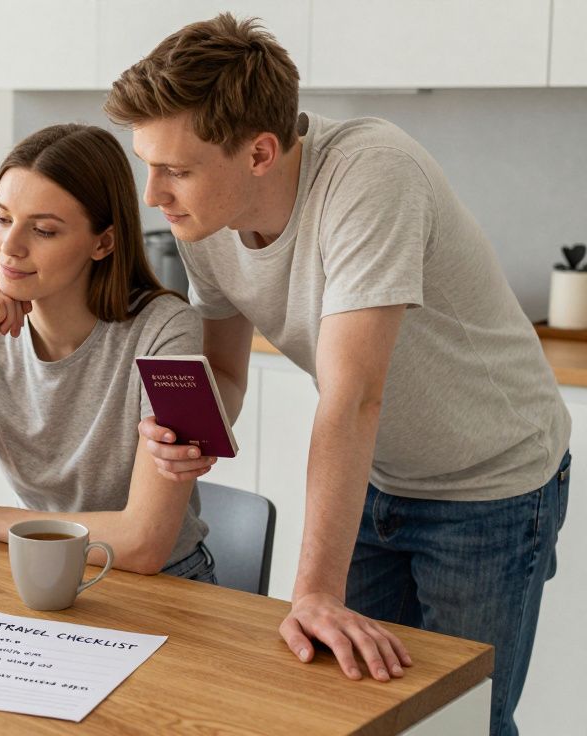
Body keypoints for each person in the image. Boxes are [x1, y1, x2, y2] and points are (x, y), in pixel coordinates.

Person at [105, 13, 570, 735]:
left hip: (490, 486)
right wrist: (194, 431)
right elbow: (226, 370)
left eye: (175, 169)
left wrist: (313, 589)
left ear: (259, 152)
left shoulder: (371, 174)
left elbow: (353, 397)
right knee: (353, 710)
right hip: (377, 479)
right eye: (148, 164)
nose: (152, 194)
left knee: (462, 721)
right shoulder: (209, 220)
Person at [0, 123, 214, 581]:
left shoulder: (166, 331)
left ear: (104, 242)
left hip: (164, 585)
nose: (9, 248)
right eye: (2, 218)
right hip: (46, 570)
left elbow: (143, 544)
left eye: (43, 230)